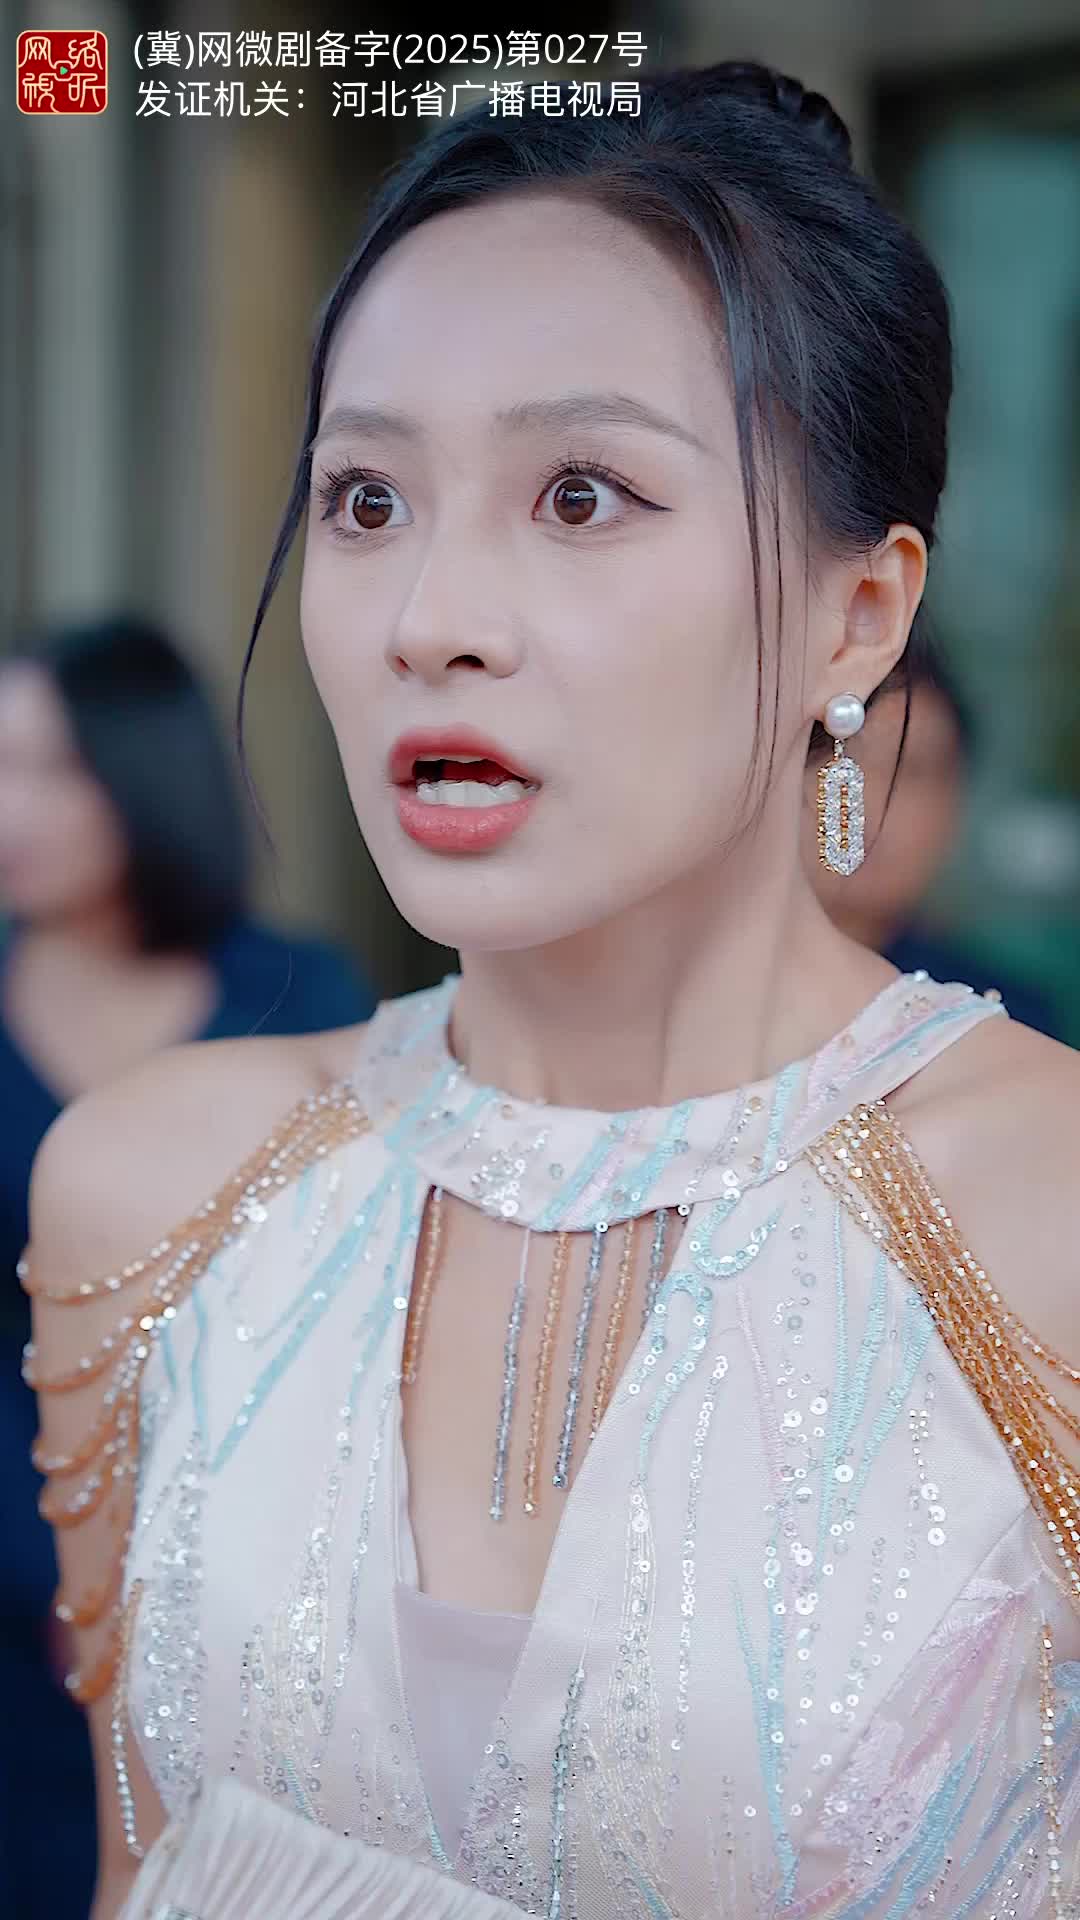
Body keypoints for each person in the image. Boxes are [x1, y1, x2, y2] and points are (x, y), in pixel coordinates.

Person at [22, 63, 1080, 1920]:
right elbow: (142, 1866)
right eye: (365, 499)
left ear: (858, 616)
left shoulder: (1044, 1211)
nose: (430, 615)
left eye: (581, 495)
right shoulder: (154, 1192)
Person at [0, 614, 376, 1917]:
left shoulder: (299, 1001)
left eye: (52, 768)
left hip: (251, 1603)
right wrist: (58, 1571)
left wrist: (168, 1577)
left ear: (145, 773)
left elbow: (344, 1324)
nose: (11, 809)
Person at [807, 645, 1064, 1036]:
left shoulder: (1003, 1023)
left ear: (956, 803)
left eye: (913, 772)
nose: (873, 803)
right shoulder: (716, 993)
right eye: (846, 765)